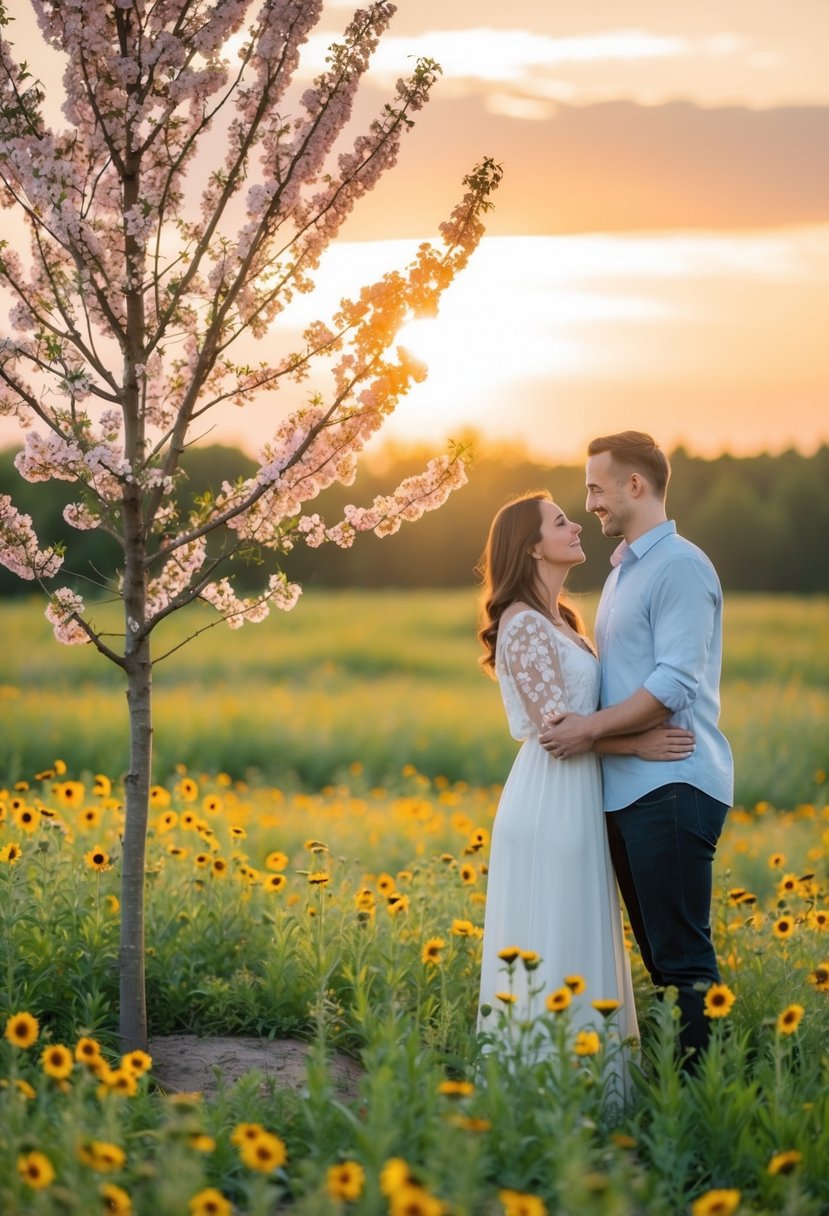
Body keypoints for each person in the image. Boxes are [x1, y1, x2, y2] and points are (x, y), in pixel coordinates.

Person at [476, 490, 695, 1069]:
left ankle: (589, 1083)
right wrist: (640, 744)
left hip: (577, 791)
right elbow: (557, 734)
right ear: (531, 548)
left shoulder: (562, 620)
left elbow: (579, 727)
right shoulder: (522, 625)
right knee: (556, 931)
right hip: (550, 795)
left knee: (577, 929)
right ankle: (543, 1084)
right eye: (560, 522)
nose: (576, 526)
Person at [540, 432, 733, 1065]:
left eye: (596, 487)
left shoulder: (678, 564)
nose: (588, 500)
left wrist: (588, 732)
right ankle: (681, 1088)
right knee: (664, 963)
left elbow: (675, 681)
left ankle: (704, 1105)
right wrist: (615, 743)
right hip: (633, 785)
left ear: (634, 485)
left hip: (673, 785)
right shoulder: (628, 568)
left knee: (681, 963)